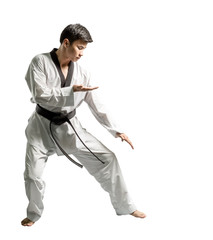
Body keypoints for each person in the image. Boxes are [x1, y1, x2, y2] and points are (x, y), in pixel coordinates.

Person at [21, 24, 146, 227]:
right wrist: (70, 91)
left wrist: (117, 130)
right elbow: (39, 95)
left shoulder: (82, 73)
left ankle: (126, 206)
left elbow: (98, 106)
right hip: (40, 129)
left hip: (70, 129)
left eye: (84, 49)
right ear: (66, 42)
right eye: (79, 47)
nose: (81, 54)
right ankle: (34, 214)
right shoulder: (40, 62)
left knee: (108, 159)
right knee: (32, 175)